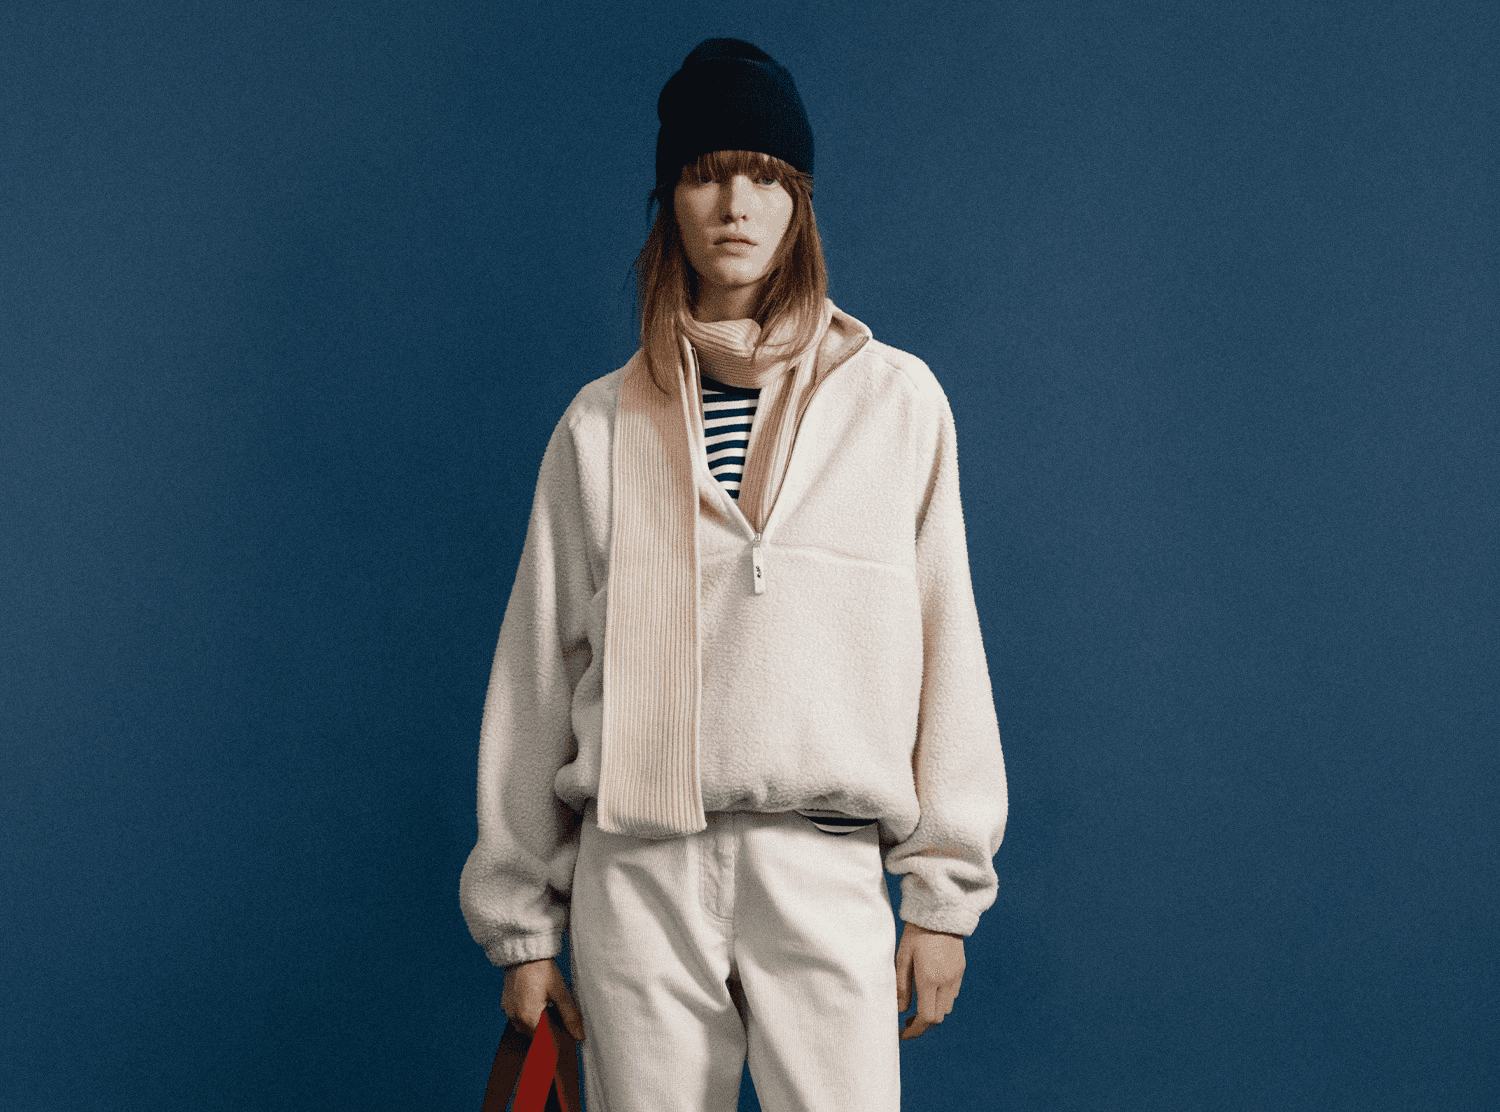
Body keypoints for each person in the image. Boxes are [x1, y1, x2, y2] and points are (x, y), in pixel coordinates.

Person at [460, 38, 1007, 1112]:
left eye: (765, 175)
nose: (735, 204)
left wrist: (943, 896)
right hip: (639, 870)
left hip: (823, 857)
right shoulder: (600, 426)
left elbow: (948, 642)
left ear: (800, 200)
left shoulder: (896, 404)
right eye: (707, 174)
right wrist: (523, 929)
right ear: (669, 199)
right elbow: (536, 677)